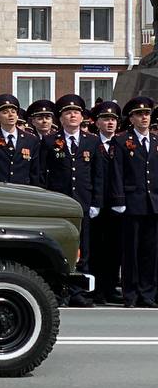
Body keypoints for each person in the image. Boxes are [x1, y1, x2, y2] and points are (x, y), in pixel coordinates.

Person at [39, 94, 101, 306]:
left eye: (76, 112)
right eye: (67, 112)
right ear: (61, 118)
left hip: (83, 202)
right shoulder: (49, 141)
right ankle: (58, 291)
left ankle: (78, 292)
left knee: (82, 249)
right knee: (57, 248)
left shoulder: (92, 142)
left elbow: (97, 174)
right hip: (59, 204)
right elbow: (41, 173)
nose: (72, 115)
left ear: (82, 117)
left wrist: (96, 202)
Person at [112, 97, 158, 307]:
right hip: (132, 202)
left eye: (147, 114)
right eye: (140, 114)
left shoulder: (156, 142)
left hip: (153, 203)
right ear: (131, 118)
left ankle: (147, 293)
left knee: (150, 251)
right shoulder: (122, 140)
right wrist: (119, 198)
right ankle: (130, 294)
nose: (144, 118)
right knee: (130, 251)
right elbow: (118, 172)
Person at [89, 100, 124, 305]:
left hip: (118, 203)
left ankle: (110, 287)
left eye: (113, 119)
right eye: (105, 119)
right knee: (96, 249)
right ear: (97, 122)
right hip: (97, 203)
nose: (110, 123)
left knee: (114, 248)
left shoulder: (121, 144)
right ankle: (97, 289)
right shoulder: (92, 143)